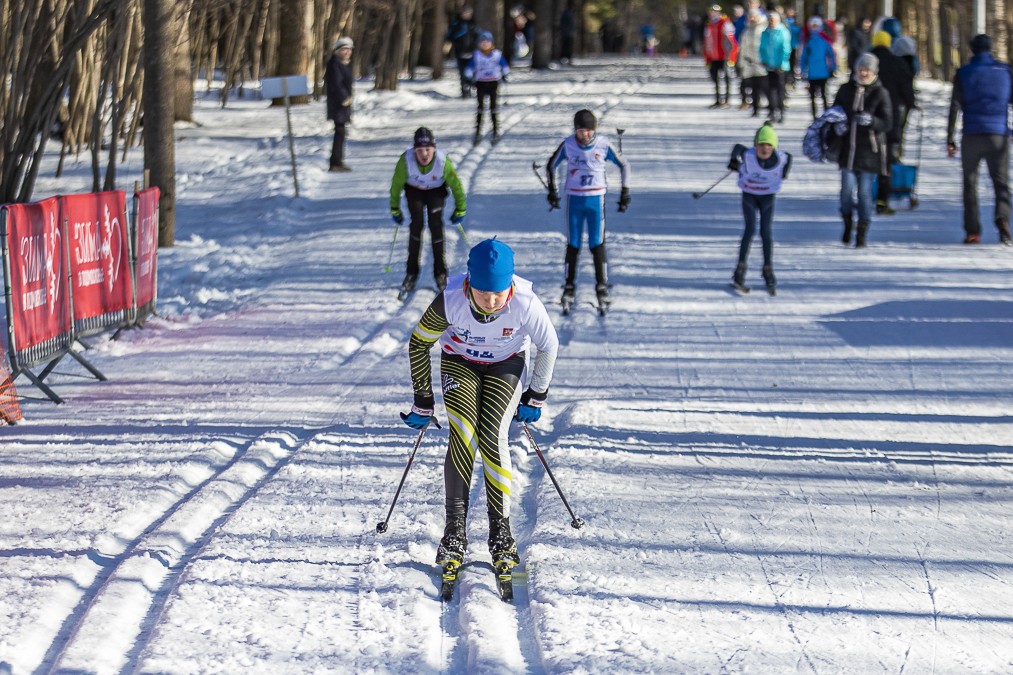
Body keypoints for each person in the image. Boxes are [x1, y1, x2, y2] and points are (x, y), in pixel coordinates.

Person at [405, 239, 559, 589]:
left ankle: (500, 532)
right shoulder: (451, 300)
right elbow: (419, 341)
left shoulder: (524, 301)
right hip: (460, 363)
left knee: (491, 436)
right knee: (463, 435)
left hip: (506, 364)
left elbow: (548, 344)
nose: (491, 301)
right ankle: (454, 533)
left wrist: (536, 395)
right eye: (483, 292)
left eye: (498, 293)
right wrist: (423, 398)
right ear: (469, 283)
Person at [546, 110, 631, 310]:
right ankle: (569, 286)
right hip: (574, 200)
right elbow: (551, 165)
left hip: (595, 200)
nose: (585, 135)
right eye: (581, 130)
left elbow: (624, 164)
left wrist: (624, 192)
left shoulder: (603, 143)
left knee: (596, 243)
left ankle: (601, 285)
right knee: (573, 244)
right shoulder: (568, 144)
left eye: (589, 130)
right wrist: (552, 191)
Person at [947, 34, 1013, 245]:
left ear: (972, 50)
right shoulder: (1005, 71)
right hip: (998, 136)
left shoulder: (964, 73)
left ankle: (972, 232)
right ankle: (1003, 219)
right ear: (990, 48)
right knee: (1000, 183)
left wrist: (950, 138)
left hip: (972, 136)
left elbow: (954, 107)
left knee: (970, 183)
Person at [390, 128, 467, 295]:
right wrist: (394, 208)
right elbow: (395, 186)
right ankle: (411, 273)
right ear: (414, 150)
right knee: (416, 225)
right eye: (419, 150)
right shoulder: (406, 160)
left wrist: (460, 208)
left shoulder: (442, 160)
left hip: (435, 191)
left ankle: (440, 273)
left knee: (435, 225)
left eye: (428, 150)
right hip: (414, 190)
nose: (424, 154)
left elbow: (456, 185)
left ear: (434, 148)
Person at [832, 53, 892, 247]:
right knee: (846, 193)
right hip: (847, 151)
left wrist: (873, 121)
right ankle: (848, 224)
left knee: (865, 194)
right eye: (860, 69)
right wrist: (837, 124)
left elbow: (888, 123)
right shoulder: (845, 90)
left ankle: (863, 231)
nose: (863, 73)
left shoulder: (880, 93)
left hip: (870, 152)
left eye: (867, 70)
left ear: (874, 72)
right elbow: (833, 112)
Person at [728, 122, 792, 295]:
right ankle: (740, 270)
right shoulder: (748, 154)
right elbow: (737, 148)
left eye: (769, 145)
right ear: (755, 145)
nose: (765, 149)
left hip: (767, 197)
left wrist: (784, 172)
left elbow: (789, 158)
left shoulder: (781, 158)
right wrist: (733, 161)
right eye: (761, 144)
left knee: (765, 232)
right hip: (749, 195)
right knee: (749, 230)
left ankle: (767, 269)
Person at [869, 30, 915, 215]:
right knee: (886, 160)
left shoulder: (867, 63)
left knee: (866, 158)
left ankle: (864, 195)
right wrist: (911, 105)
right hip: (890, 119)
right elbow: (907, 90)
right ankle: (882, 199)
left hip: (869, 119)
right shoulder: (897, 63)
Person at [465, 32, 509, 145]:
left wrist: (505, 74)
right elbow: (470, 67)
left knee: (493, 107)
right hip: (481, 83)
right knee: (480, 107)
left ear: (491, 43)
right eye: (482, 42)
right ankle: (478, 131)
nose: (484, 44)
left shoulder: (497, 54)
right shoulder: (477, 55)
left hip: (493, 83)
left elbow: (504, 65)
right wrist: (468, 77)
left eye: (487, 42)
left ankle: (495, 130)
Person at [324, 38, 354, 172]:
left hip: (342, 105)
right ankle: (335, 163)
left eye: (349, 49)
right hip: (338, 104)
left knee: (341, 133)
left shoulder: (342, 63)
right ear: (337, 51)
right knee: (339, 132)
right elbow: (336, 83)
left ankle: (337, 162)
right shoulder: (335, 64)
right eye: (344, 49)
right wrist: (344, 98)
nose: (347, 52)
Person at [703, 4, 739, 108]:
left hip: (724, 56)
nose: (712, 13)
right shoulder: (709, 25)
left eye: (714, 12)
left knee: (726, 77)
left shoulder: (725, 23)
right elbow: (706, 42)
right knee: (715, 78)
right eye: (711, 11)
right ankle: (718, 99)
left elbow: (732, 42)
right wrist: (707, 58)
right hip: (713, 56)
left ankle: (726, 100)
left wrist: (731, 57)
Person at [800, 17, 836, 118]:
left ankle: (826, 114)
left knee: (824, 94)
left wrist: (833, 68)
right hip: (812, 73)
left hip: (823, 72)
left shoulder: (824, 41)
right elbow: (804, 57)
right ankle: (814, 116)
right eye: (813, 26)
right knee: (812, 96)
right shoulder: (808, 42)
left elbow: (831, 55)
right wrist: (803, 70)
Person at [760, 12, 791, 122]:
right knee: (770, 89)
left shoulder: (783, 32)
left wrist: (782, 64)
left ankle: (781, 111)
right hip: (769, 66)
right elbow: (762, 48)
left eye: (773, 20)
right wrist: (763, 61)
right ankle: (772, 110)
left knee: (780, 90)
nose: (771, 22)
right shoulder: (765, 33)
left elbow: (786, 49)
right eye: (770, 20)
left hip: (780, 67)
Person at [739, 9, 769, 118]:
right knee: (753, 88)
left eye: (753, 16)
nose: (751, 19)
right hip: (749, 64)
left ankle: (772, 107)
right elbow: (743, 48)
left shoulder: (763, 29)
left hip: (762, 64)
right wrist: (742, 62)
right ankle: (755, 108)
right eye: (749, 17)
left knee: (765, 86)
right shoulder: (746, 31)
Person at [447, 6, 478, 98]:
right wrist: (458, 38)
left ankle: (472, 87)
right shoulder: (455, 24)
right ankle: (464, 90)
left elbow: (476, 36)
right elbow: (449, 36)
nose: (467, 15)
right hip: (459, 52)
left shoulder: (473, 24)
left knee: (472, 71)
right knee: (462, 72)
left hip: (472, 52)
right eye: (465, 13)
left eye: (469, 13)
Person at [784, 7, 802, 88]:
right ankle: (787, 78)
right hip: (785, 46)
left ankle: (792, 79)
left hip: (794, 46)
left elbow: (799, 34)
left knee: (793, 63)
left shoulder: (796, 23)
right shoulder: (784, 22)